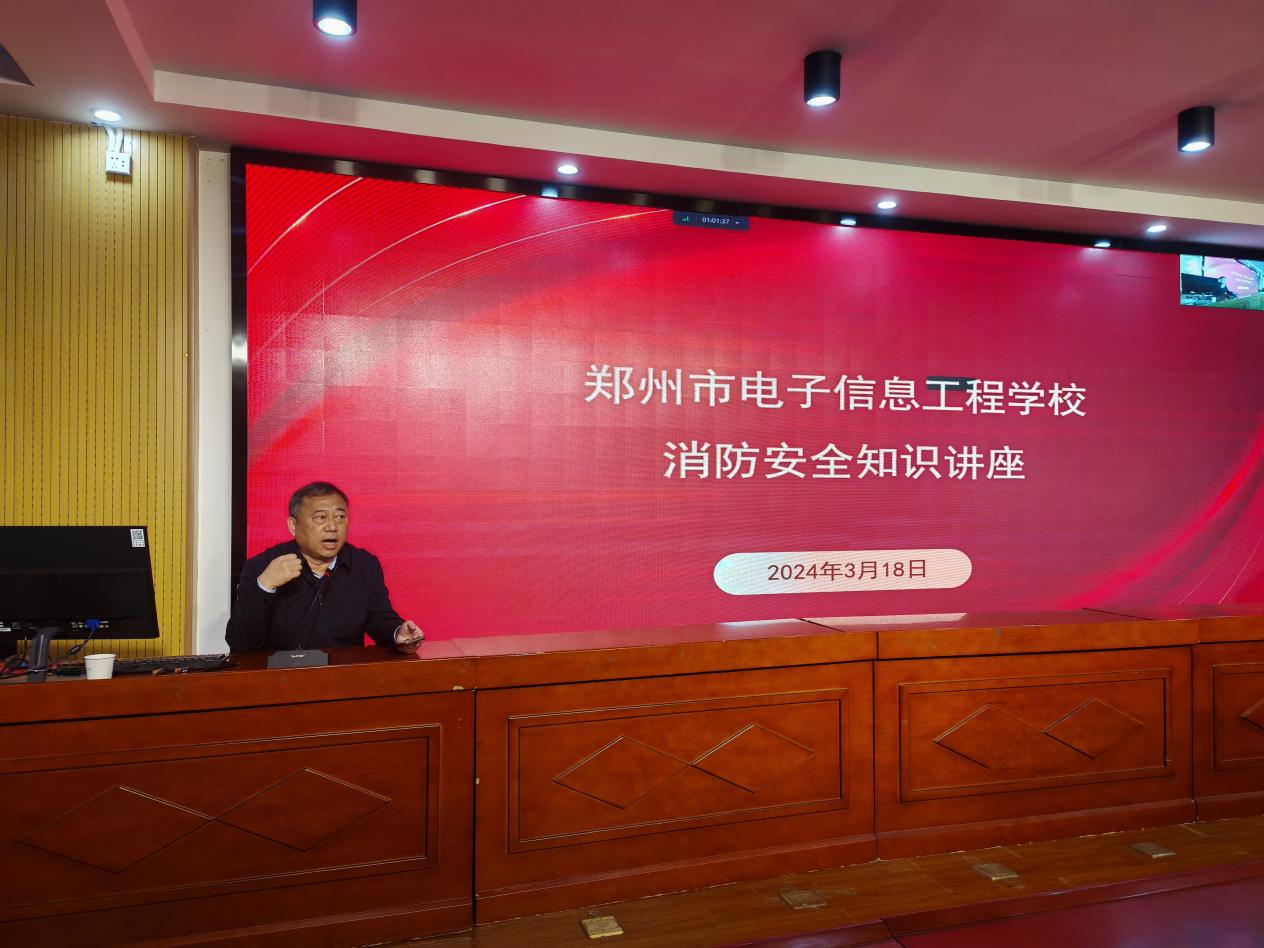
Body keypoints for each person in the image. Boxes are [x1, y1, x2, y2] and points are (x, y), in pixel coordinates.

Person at [226, 481, 424, 654]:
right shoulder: (261, 566)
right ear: (293, 526)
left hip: (344, 675)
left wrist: (397, 632)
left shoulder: (364, 565)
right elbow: (241, 644)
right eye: (321, 518)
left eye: (340, 517)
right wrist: (264, 587)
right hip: (281, 679)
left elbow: (379, 618)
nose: (332, 527)